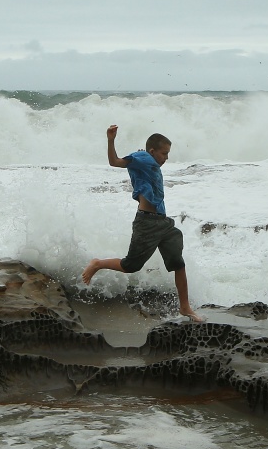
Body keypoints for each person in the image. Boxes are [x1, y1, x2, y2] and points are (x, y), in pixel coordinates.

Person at [81, 125, 204, 322]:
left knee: (178, 264)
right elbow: (114, 162)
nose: (166, 158)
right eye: (164, 153)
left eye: (168, 154)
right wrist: (111, 140)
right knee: (130, 266)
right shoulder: (143, 158)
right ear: (153, 151)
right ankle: (97, 264)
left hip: (163, 223)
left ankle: (185, 307)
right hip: (146, 223)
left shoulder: (150, 162)